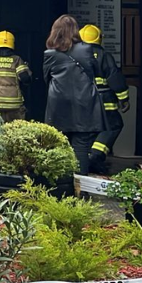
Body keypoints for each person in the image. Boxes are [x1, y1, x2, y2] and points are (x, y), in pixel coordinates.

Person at [43, 15, 107, 175]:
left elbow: (46, 78)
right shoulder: (87, 49)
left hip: (58, 105)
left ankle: (61, 184)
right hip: (84, 104)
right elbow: (97, 72)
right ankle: (80, 187)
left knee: (59, 144)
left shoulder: (49, 53)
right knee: (81, 146)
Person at [80, 25, 130, 175]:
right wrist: (124, 99)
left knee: (87, 131)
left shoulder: (74, 56)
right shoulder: (104, 56)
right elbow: (115, 79)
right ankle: (96, 156)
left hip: (82, 102)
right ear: (99, 38)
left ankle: (86, 160)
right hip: (104, 102)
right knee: (113, 126)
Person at [0, 31, 32, 123]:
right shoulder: (17, 60)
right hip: (14, 105)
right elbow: (25, 79)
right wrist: (27, 69)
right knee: (14, 131)